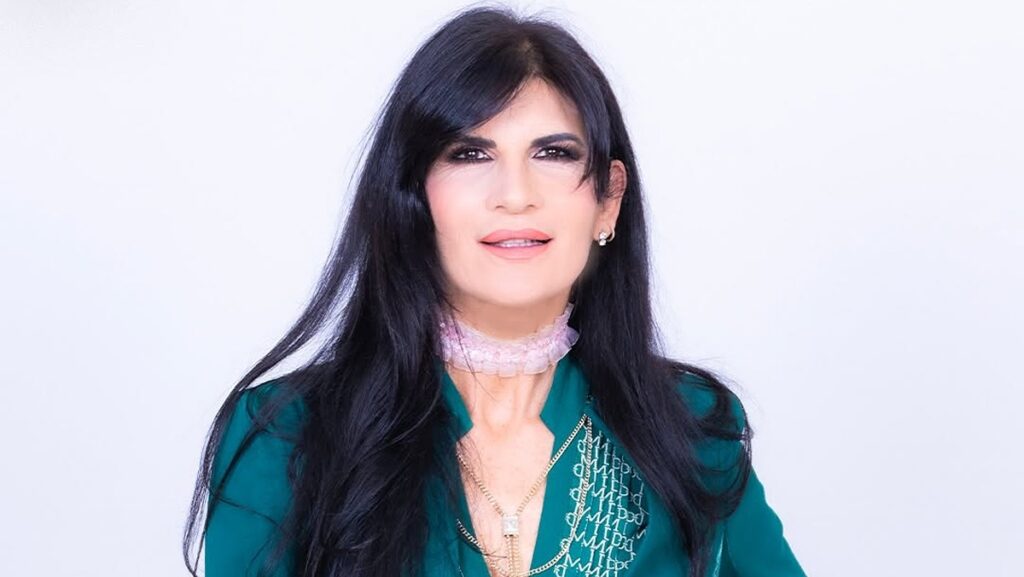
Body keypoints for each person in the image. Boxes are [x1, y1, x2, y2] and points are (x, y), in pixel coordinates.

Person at [183, 6, 806, 577]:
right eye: (470, 154)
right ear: (412, 196)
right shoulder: (285, 435)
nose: (515, 194)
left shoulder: (693, 429)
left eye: (553, 153)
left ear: (608, 200)